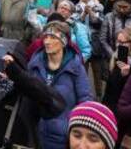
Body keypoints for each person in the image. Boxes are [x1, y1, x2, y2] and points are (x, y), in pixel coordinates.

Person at [27, 21, 94, 149]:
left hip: (62, 135)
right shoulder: (34, 64)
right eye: (45, 37)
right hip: (35, 131)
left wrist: (75, 130)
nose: (47, 41)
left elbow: (85, 100)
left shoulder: (75, 68)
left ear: (63, 41)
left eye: (53, 37)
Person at [102, 26, 131, 110]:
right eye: (117, 42)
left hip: (128, 109)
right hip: (112, 107)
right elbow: (110, 89)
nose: (118, 45)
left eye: (122, 42)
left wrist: (126, 75)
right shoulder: (117, 58)